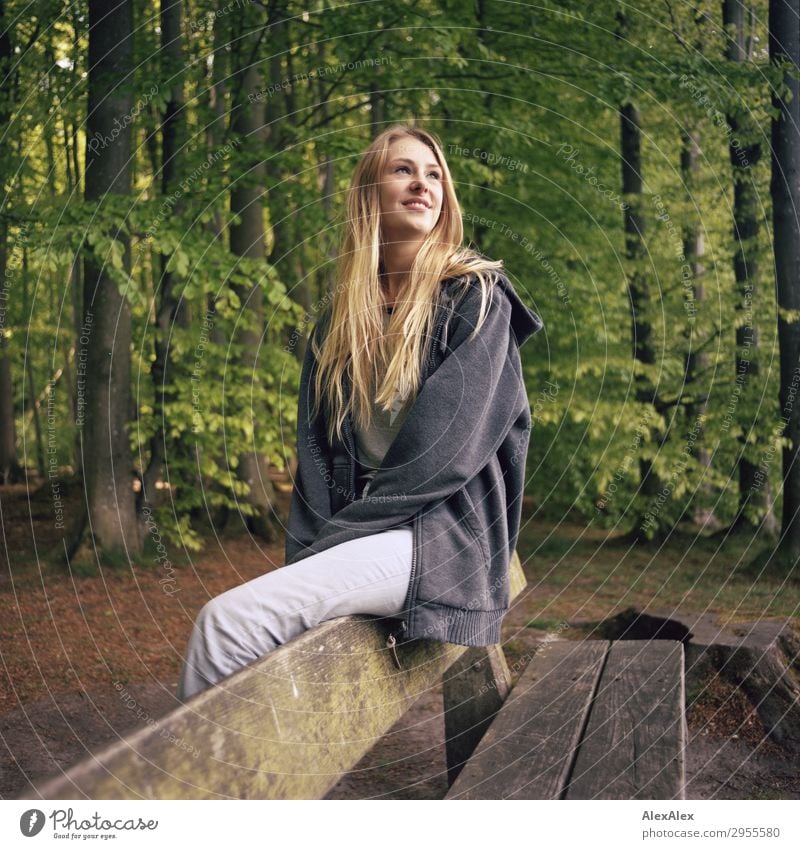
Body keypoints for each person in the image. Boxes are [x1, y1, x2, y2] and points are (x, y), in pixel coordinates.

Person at [176, 124, 543, 701]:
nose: (422, 184)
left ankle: (196, 791)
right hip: (369, 538)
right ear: (367, 193)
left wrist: (332, 546)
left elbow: (441, 455)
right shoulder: (340, 324)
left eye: (434, 174)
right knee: (258, 647)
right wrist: (308, 553)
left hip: (441, 536)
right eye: (403, 170)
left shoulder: (476, 299)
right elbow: (316, 462)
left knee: (225, 624)